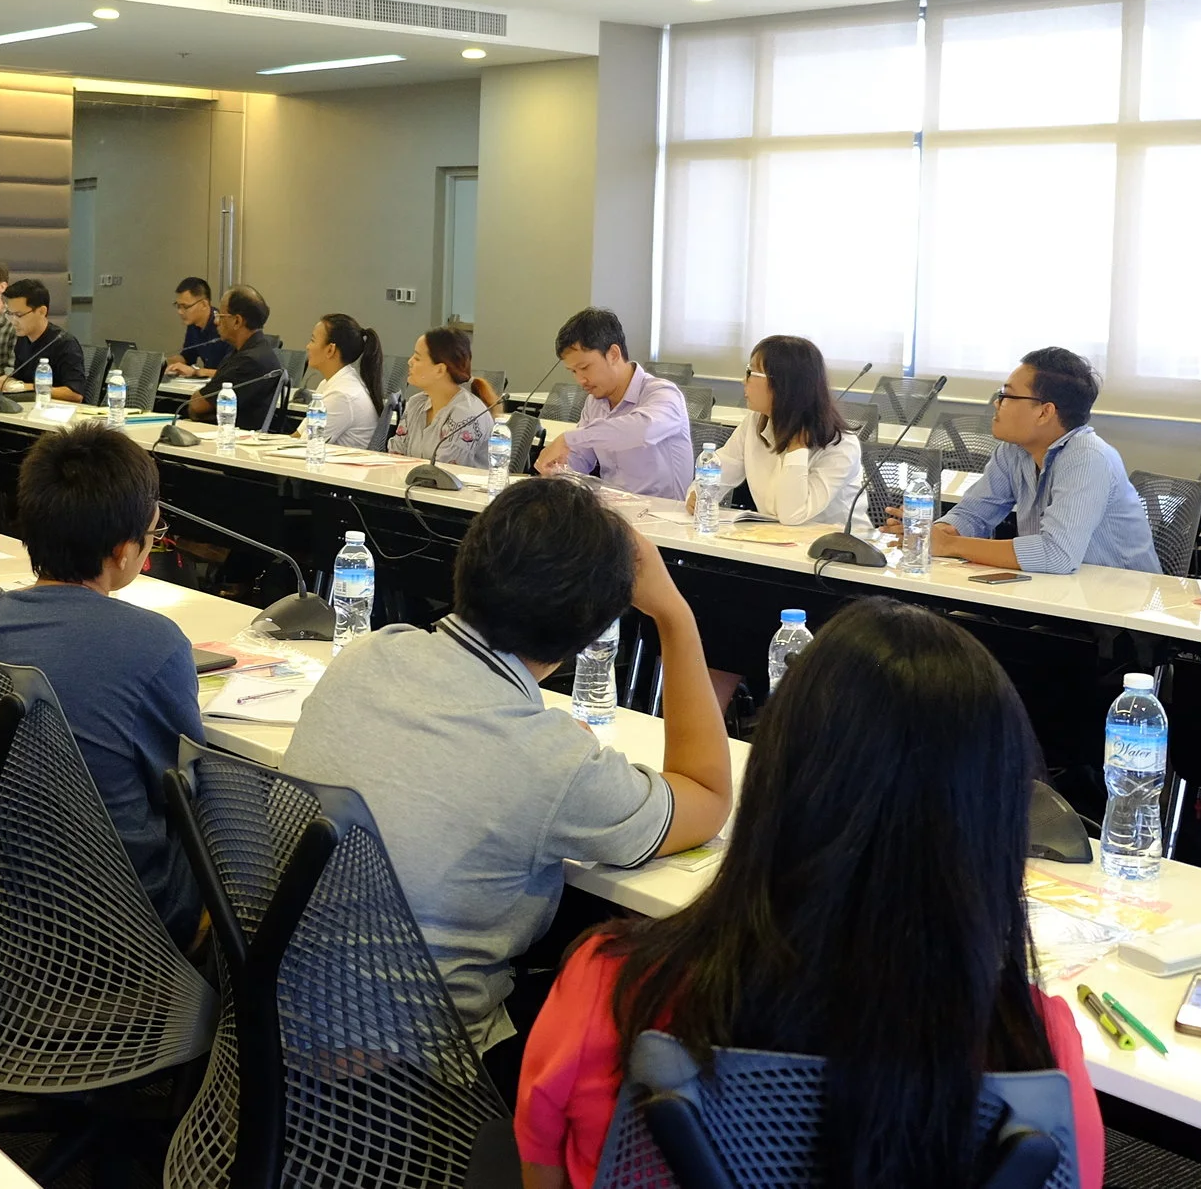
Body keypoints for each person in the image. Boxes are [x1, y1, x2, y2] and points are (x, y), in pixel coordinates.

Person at [515, 597, 1104, 1189]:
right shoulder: (1037, 1052)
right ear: (995, 824)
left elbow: (542, 1176)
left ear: (776, 784)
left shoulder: (611, 990)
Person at [284, 478, 734, 1076]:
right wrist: (674, 615)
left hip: (273, 1031)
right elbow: (707, 795)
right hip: (418, 1084)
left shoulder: (369, 654)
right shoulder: (553, 763)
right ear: (590, 628)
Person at [0, 425, 204, 939]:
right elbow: (187, 789)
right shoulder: (155, 645)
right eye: (153, 535)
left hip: (3, 896)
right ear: (121, 551)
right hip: (122, 916)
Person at [925, 347, 1159, 575]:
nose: (997, 403)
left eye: (1007, 396)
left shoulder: (1088, 457)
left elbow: (1056, 554)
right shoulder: (1013, 451)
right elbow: (973, 515)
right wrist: (931, 533)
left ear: (1045, 412)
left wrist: (949, 545)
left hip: (1117, 603)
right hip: (1055, 593)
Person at [685, 334, 861, 525]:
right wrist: (695, 495)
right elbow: (719, 471)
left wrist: (797, 447)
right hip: (773, 542)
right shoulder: (754, 422)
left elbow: (792, 515)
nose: (743, 381)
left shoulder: (841, 446)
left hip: (834, 550)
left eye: (750, 373)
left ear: (783, 384)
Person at [532, 309, 694, 498]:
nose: (580, 380)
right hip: (613, 513)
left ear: (613, 354)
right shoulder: (595, 402)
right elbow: (581, 459)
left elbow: (642, 430)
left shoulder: (663, 393)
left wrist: (569, 438)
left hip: (664, 517)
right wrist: (557, 470)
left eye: (584, 368)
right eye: (573, 372)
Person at [387, 326, 497, 468]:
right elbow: (396, 454)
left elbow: (443, 473)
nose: (410, 362)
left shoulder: (467, 414)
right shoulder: (416, 403)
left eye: (417, 358)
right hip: (413, 487)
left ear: (440, 370)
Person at [184, 286, 285, 425]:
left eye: (220, 316)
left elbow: (198, 404)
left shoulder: (251, 360)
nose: (216, 321)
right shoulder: (242, 351)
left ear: (237, 321)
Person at [0, 277, 86, 401]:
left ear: (42, 311)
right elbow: (21, 379)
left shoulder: (64, 343)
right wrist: (6, 381)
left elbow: (75, 394)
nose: (13, 322)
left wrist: (28, 387)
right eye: (10, 314)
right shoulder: (23, 339)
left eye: (19, 315)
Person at [301, 313, 384, 451]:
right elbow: (298, 435)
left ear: (330, 349)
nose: (308, 346)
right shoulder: (330, 384)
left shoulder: (342, 395)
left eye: (313, 340)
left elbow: (305, 447)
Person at [165, 276, 223, 377]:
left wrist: (195, 372)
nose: (180, 312)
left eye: (185, 307)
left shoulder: (224, 326)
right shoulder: (193, 325)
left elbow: (232, 373)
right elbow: (187, 357)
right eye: (178, 306)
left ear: (204, 304)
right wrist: (163, 363)